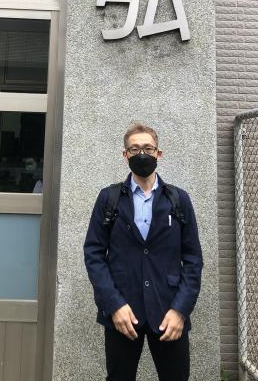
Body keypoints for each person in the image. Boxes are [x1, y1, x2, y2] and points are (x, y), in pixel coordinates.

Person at [83, 122, 203, 381]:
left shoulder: (179, 200)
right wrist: (114, 305)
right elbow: (94, 255)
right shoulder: (109, 199)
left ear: (159, 153)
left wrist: (180, 310)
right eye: (135, 149)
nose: (142, 154)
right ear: (125, 155)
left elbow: (193, 259)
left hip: (168, 311)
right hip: (123, 312)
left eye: (148, 148)